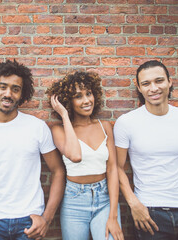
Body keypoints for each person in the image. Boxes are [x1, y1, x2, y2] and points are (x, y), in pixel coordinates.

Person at [114, 60, 178, 240]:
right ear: (139, 87)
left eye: (159, 81)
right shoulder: (126, 122)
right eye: (146, 83)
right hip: (148, 213)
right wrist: (134, 204)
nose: (153, 88)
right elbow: (117, 167)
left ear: (170, 81)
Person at [0, 59, 65, 240]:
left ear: (22, 94)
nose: (8, 93)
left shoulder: (37, 127)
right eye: (3, 87)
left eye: (15, 89)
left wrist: (47, 218)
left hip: (30, 222)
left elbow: (58, 171)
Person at [46, 71, 124, 240]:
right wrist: (65, 115)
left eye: (88, 94)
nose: (87, 100)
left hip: (104, 199)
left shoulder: (105, 126)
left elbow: (112, 170)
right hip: (74, 201)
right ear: (68, 102)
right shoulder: (58, 130)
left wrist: (113, 216)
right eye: (78, 96)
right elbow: (75, 155)